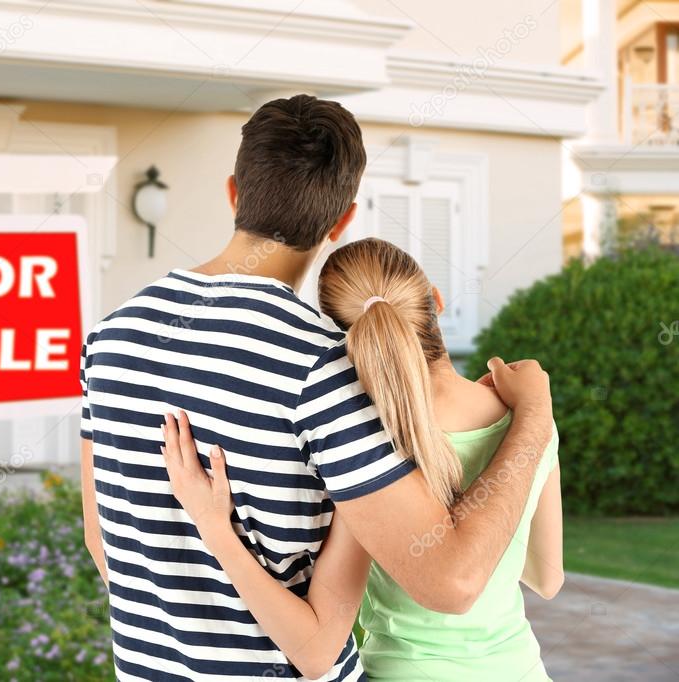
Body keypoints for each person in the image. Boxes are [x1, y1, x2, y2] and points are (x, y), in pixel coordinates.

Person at [79, 94, 554, 681]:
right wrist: (533, 419)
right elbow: (452, 582)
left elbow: (105, 545)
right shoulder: (324, 367)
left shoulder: (109, 340)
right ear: (343, 219)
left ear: (234, 193)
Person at [161, 237, 563, 680]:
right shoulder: (529, 419)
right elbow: (547, 578)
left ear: (340, 340)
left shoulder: (360, 443)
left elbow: (316, 641)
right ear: (434, 302)